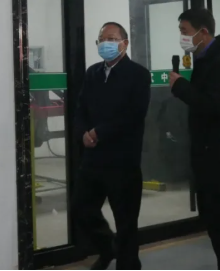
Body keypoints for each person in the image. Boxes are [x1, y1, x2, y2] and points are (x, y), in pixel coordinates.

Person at [169, 8, 220, 270]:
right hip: (209, 158)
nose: (182, 37)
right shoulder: (205, 59)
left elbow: (214, 105)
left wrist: (180, 87)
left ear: (203, 32)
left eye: (185, 31)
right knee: (217, 224)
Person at [73, 22, 151, 270]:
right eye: (101, 39)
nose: (105, 43)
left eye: (111, 38)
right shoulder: (92, 73)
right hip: (93, 160)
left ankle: (128, 265)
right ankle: (108, 248)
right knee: (82, 210)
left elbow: (133, 115)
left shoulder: (138, 75)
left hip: (123, 162)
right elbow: (80, 109)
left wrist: (99, 132)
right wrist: (83, 133)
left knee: (126, 224)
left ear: (124, 43)